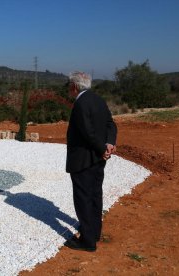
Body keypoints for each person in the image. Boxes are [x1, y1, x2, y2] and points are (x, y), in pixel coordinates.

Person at [64, 71, 117, 252]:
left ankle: (87, 242)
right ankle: (94, 232)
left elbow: (87, 133)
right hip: (97, 159)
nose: (69, 89)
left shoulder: (80, 104)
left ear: (75, 86)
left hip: (83, 159)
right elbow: (111, 124)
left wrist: (102, 149)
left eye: (69, 86)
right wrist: (109, 143)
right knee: (95, 195)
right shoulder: (98, 99)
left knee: (83, 199)